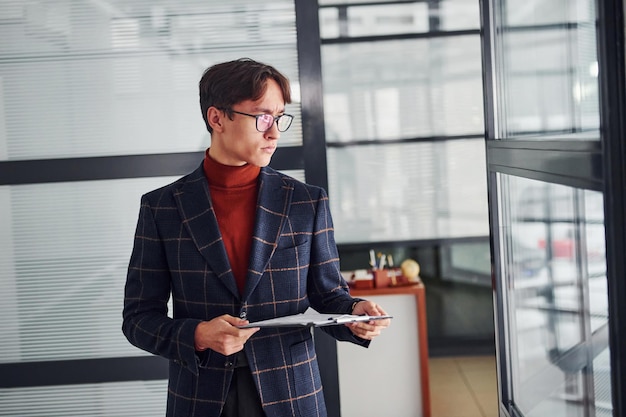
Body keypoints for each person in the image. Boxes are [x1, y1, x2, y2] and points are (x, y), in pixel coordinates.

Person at [122, 57, 390, 417]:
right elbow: (138, 319)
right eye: (262, 117)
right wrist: (199, 335)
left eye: (279, 117)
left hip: (292, 395)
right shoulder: (162, 208)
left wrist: (356, 313)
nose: (275, 132)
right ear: (217, 118)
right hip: (201, 398)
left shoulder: (305, 202)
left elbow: (328, 294)